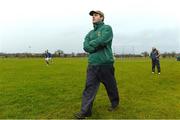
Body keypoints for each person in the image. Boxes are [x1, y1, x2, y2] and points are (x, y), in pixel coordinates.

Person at [74, 10, 120, 119]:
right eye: (92, 16)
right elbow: (85, 46)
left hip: (105, 64)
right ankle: (85, 112)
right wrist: (93, 45)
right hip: (92, 65)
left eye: (96, 15)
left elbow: (103, 40)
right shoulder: (89, 33)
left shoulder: (107, 28)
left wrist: (92, 44)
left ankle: (114, 103)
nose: (93, 17)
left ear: (102, 17)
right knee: (89, 88)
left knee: (111, 86)